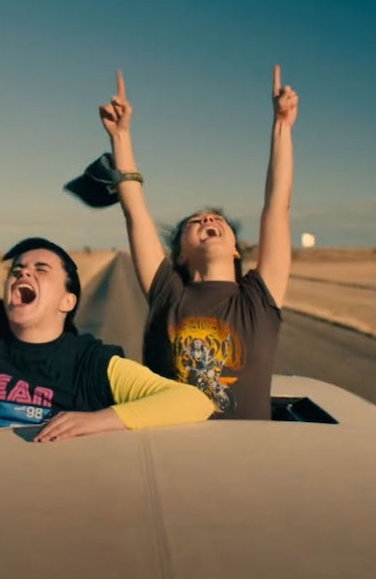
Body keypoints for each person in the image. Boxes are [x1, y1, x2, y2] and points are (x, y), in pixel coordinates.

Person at [0, 107, 214, 442]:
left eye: (40, 269)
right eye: (17, 269)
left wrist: (99, 420)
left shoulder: (89, 365)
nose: (22, 273)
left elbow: (194, 401)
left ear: (68, 300)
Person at [95, 66, 298, 420]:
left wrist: (281, 125)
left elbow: (277, 207)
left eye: (217, 220)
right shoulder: (168, 293)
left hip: (252, 456)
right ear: (180, 254)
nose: (208, 220)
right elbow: (135, 212)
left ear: (237, 248)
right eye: (196, 221)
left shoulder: (259, 298)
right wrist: (121, 136)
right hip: (171, 453)